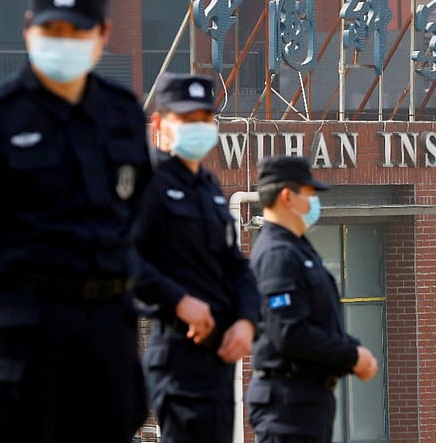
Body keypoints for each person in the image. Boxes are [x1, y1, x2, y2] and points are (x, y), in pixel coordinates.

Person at [0, 0, 150, 442]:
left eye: (76, 31)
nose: (62, 42)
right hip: (29, 339)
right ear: (28, 29)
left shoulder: (122, 113)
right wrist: (9, 309)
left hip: (107, 337)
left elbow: (139, 213)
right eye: (51, 29)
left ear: (103, 35)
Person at [133, 72, 260, 442]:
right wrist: (179, 301)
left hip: (218, 354)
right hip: (177, 351)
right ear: (159, 123)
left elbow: (236, 265)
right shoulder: (146, 181)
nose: (199, 126)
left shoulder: (209, 187)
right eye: (187, 118)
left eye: (206, 118)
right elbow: (123, 258)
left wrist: (247, 320)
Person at [246, 155, 379, 443]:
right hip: (288, 404)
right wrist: (351, 355)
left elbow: (320, 320)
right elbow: (288, 332)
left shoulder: (298, 249)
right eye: (309, 194)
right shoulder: (277, 254)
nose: (314, 202)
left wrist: (354, 349)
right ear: (287, 197)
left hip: (306, 402)